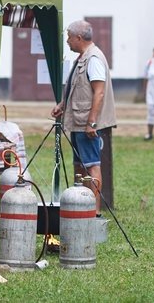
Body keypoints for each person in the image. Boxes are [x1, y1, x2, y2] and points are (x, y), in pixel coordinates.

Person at [51, 20, 116, 213]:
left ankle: (93, 211)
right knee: (80, 167)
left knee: (92, 166)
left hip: (87, 124)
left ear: (79, 38)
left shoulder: (93, 59)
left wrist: (92, 122)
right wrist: (63, 105)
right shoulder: (82, 57)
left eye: (69, 37)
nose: (68, 41)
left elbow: (99, 92)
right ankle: (80, 207)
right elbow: (79, 88)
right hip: (78, 122)